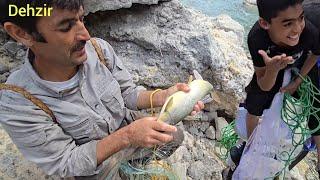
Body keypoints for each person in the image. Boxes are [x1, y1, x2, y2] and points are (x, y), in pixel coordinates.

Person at [0, 0, 204, 179]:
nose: (86, 36)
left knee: (174, 137)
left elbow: (127, 94)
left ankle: (131, 168)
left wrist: (163, 96)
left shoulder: (99, 50)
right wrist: (127, 136)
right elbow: (66, 161)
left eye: (81, 19)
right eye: (66, 27)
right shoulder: (18, 103)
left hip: (126, 130)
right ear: (22, 33)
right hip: (94, 169)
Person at [223, 0, 320, 179]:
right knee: (255, 103)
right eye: (288, 23)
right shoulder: (257, 38)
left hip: (301, 63)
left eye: (301, 19)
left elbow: (315, 53)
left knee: (316, 110)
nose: (297, 28)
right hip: (270, 68)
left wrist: (298, 80)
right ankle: (251, 148)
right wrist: (273, 70)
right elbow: (263, 85)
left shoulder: (309, 31)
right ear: (265, 23)